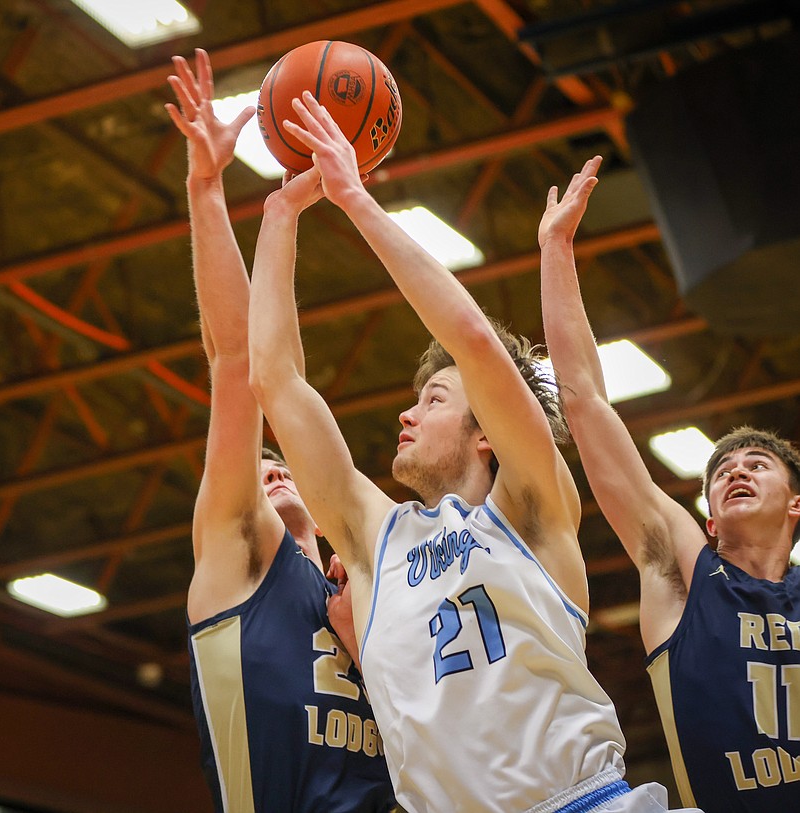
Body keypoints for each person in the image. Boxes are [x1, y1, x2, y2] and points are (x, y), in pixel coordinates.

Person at [247, 92, 692, 813]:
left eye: (435, 399)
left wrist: (356, 199)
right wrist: (279, 216)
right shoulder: (373, 539)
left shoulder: (531, 508)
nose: (407, 410)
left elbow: (476, 342)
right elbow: (275, 378)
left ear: (487, 431)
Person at [167, 51, 396, 813]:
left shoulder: (362, 593)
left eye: (280, 465)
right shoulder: (236, 553)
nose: (267, 471)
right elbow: (238, 363)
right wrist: (208, 189)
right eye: (256, 468)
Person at [540, 154, 800, 811]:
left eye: (756, 464)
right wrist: (556, 252)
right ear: (708, 517)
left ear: (795, 505)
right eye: (721, 472)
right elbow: (588, 404)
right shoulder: (684, 572)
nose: (736, 469)